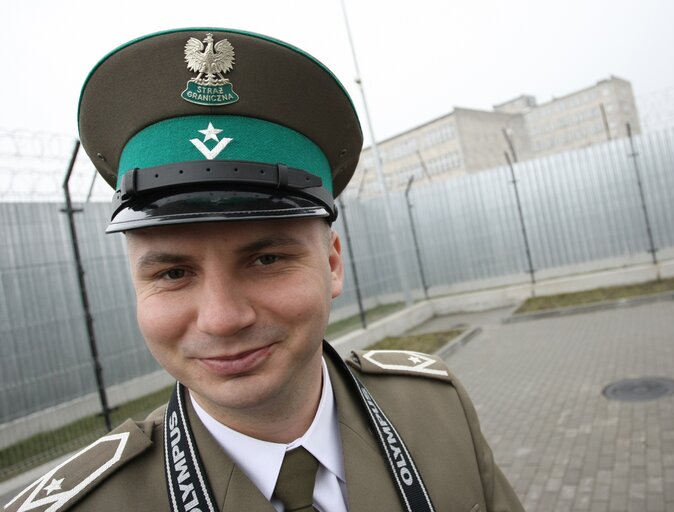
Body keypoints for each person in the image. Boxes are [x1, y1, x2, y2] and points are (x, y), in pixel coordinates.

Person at [4, 28, 524, 512]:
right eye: (172, 274)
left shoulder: (437, 412)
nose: (222, 319)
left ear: (333, 263)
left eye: (267, 260)